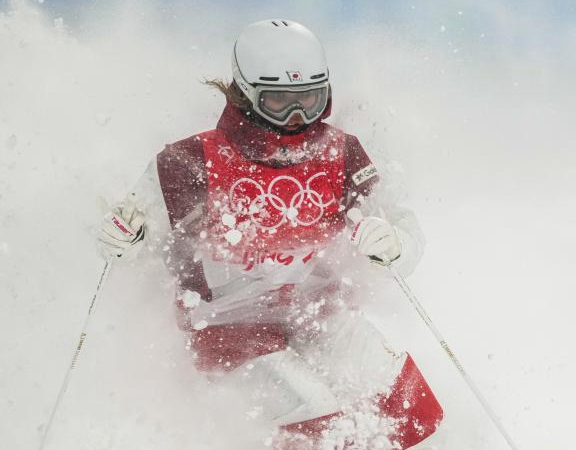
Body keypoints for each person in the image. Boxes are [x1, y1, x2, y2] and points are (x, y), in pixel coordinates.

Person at [99, 19, 443, 449]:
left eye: (311, 100)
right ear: (244, 94)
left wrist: (394, 246)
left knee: (409, 410)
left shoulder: (342, 154)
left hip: (316, 313)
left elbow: (401, 230)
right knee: (318, 417)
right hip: (226, 327)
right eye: (280, 101)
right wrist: (125, 240)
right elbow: (133, 238)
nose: (297, 118)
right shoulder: (188, 162)